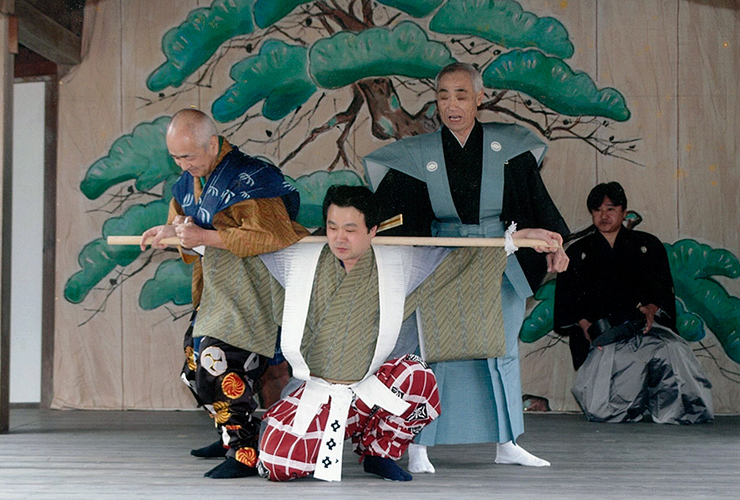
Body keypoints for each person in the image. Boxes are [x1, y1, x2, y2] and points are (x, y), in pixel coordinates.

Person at [253, 185, 564, 482]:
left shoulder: (399, 264)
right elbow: (250, 251)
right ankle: (318, 442)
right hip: (315, 394)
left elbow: (462, 259)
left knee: (417, 376)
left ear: (373, 230)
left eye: (350, 229)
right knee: (277, 465)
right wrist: (203, 240)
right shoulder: (304, 258)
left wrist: (516, 238)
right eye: (332, 227)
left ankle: (379, 451)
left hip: (367, 395)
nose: (339, 238)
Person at [364, 62, 569, 473]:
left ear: (480, 97)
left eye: (461, 95)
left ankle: (507, 442)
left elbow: (537, 205)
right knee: (431, 353)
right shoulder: (417, 155)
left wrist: (553, 243)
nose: (451, 105)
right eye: (442, 96)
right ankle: (418, 446)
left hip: (501, 259)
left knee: (503, 350)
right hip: (443, 259)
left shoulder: (509, 149)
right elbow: (386, 214)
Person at [139, 108, 309, 478]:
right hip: (216, 291)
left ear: (213, 143)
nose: (183, 165)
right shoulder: (187, 183)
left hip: (253, 292)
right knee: (194, 366)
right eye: (176, 158)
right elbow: (185, 223)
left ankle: (245, 451)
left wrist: (204, 237)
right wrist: (169, 231)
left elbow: (276, 235)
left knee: (220, 362)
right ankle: (229, 432)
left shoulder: (252, 177)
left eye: (189, 156)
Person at [554, 182, 714, 424]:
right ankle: (624, 407)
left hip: (644, 328)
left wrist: (652, 308)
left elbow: (662, 290)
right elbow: (567, 299)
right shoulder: (577, 252)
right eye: (597, 210)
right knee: (603, 407)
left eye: (610, 209)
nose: (603, 216)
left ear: (623, 210)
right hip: (599, 334)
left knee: (673, 350)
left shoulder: (647, 245)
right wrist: (586, 326)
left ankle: (680, 411)